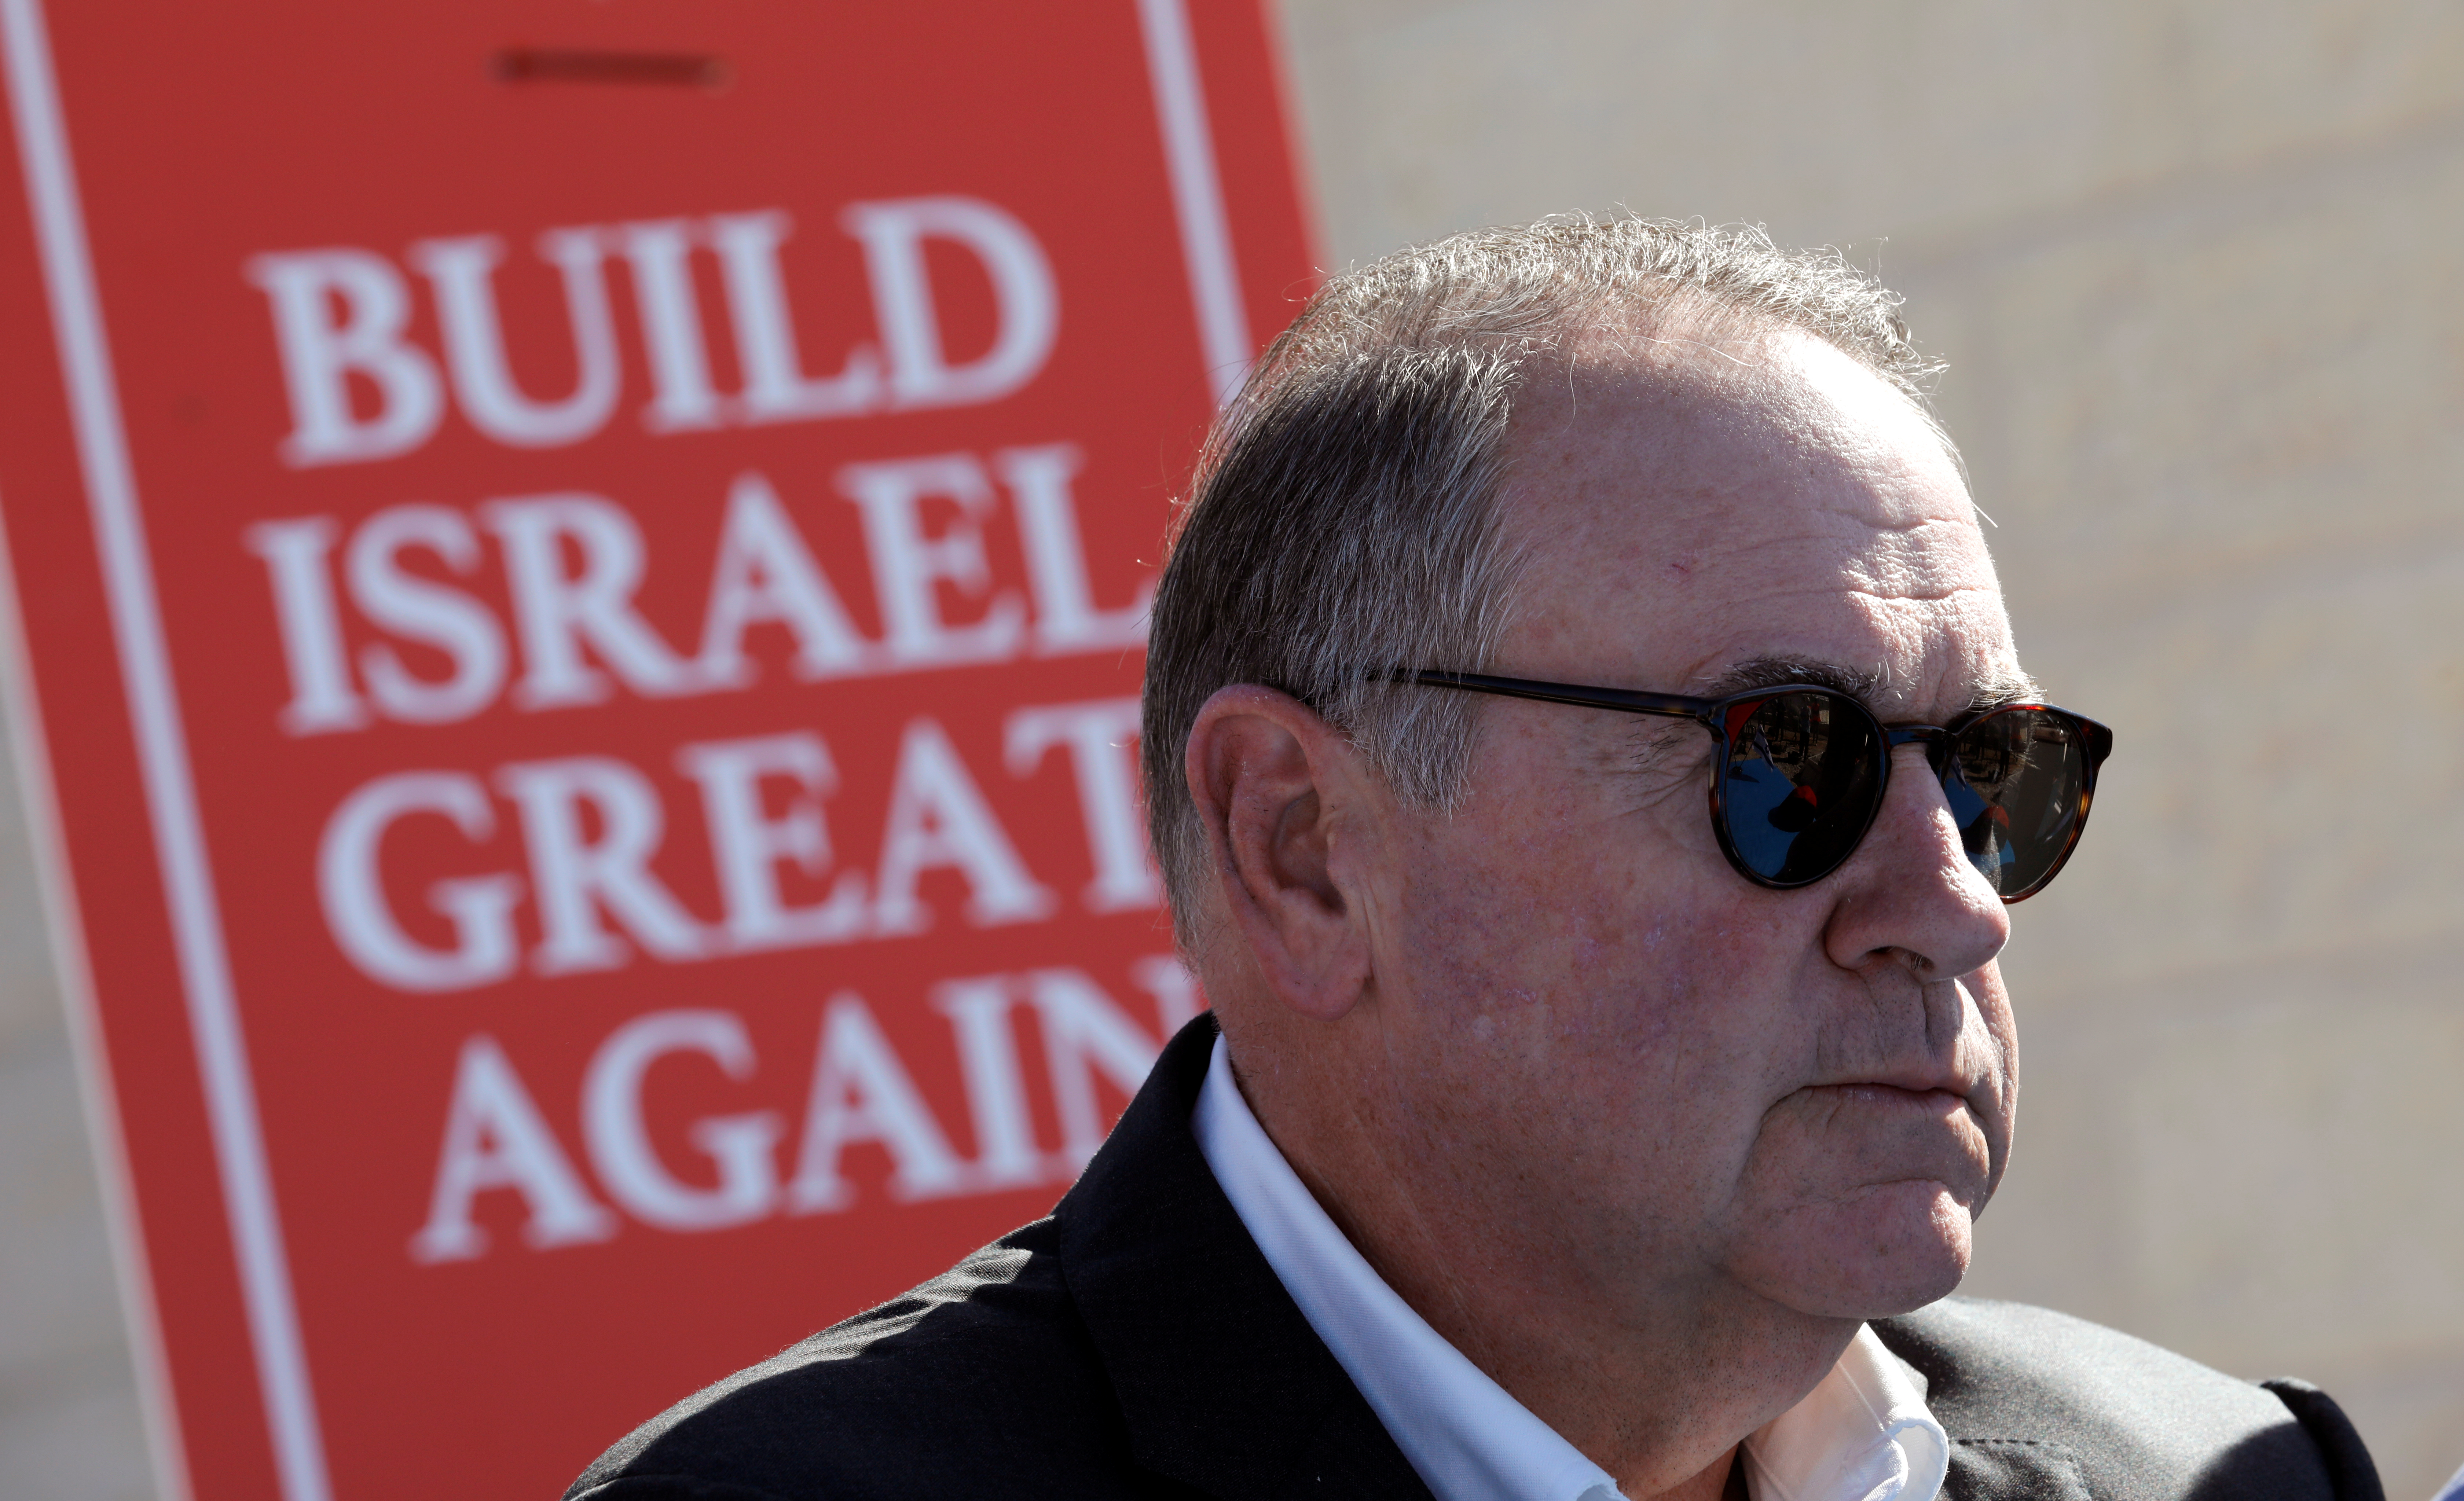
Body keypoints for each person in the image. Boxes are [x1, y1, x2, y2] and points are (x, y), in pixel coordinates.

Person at [566, 219, 2381, 1501]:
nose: (1954, 899)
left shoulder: (2216, 1472)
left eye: (1991, 770)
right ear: (1304, 848)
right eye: (1789, 762)